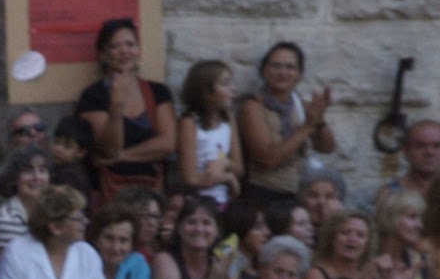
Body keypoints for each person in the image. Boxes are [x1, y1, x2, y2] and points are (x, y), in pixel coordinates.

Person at [75, 18, 175, 204]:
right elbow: (109, 149)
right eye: (115, 46)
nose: (124, 51)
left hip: (151, 191)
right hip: (112, 192)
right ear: (103, 54)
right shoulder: (93, 96)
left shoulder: (157, 92)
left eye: (130, 44)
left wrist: (122, 156)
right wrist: (116, 105)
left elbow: (167, 144)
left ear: (139, 50)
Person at [236, 41, 336, 205]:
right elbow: (268, 160)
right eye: (276, 66)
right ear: (263, 71)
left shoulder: (300, 105)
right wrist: (307, 127)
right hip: (263, 194)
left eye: (290, 67)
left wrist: (320, 119)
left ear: (299, 74)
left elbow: (326, 148)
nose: (282, 73)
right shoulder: (253, 107)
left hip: (297, 194)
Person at [177, 59, 243, 207]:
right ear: (206, 92)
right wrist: (227, 178)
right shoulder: (190, 122)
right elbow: (190, 178)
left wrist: (224, 163)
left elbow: (239, 168)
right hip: (198, 201)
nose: (233, 90)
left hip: (223, 200)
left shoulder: (229, 120)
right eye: (225, 84)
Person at [0, 144, 51, 262]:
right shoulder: (5, 219)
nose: (37, 177)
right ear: (15, 178)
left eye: (42, 170)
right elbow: (6, 267)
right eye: (28, 171)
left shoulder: (53, 213)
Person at [379, 119, 440, 201]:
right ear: (406, 151)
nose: (430, 152)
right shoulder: (389, 195)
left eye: (437, 146)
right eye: (421, 146)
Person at [48, 114, 92, 195]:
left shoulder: (70, 177)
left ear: (81, 152)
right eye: (56, 142)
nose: (58, 149)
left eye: (67, 146)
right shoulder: (58, 169)